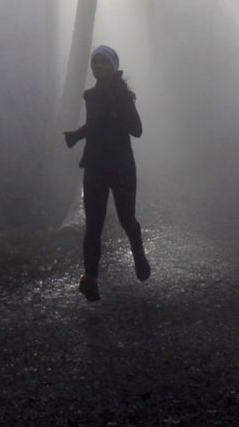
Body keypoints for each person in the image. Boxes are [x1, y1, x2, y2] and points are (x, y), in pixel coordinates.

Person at [63, 44, 149, 302]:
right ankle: (90, 279)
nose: (97, 66)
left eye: (102, 62)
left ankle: (137, 250)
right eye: (95, 62)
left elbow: (137, 130)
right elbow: (95, 124)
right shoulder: (90, 96)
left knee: (126, 219)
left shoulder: (124, 96)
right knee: (94, 225)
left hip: (121, 166)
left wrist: (116, 115)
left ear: (113, 66)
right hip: (95, 166)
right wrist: (76, 136)